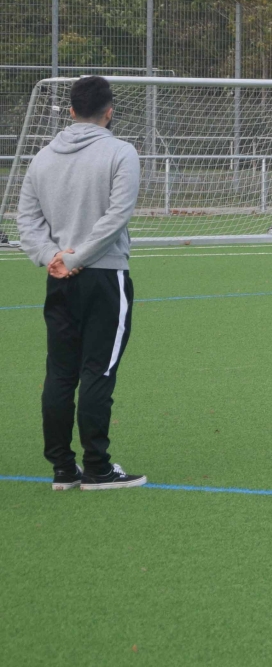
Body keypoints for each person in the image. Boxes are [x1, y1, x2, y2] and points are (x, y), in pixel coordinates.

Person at [19, 74, 145, 490]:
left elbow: (27, 222)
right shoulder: (122, 152)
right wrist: (75, 258)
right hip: (104, 276)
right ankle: (97, 468)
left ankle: (62, 468)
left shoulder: (41, 158)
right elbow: (117, 216)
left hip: (59, 279)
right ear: (110, 111)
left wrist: (52, 257)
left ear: (71, 110)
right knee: (98, 371)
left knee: (60, 372)